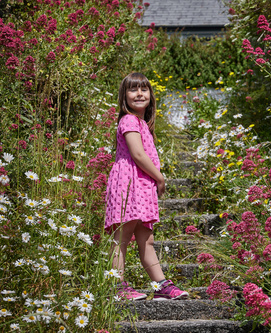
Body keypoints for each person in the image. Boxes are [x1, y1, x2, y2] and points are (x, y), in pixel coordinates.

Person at [104, 72, 188, 301]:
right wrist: (160, 178)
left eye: (144, 89)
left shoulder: (142, 123)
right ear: (124, 96)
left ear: (151, 95)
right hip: (128, 183)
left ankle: (160, 284)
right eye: (133, 89)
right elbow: (137, 154)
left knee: (146, 238)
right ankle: (116, 287)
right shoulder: (129, 120)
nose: (139, 94)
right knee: (122, 236)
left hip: (141, 186)